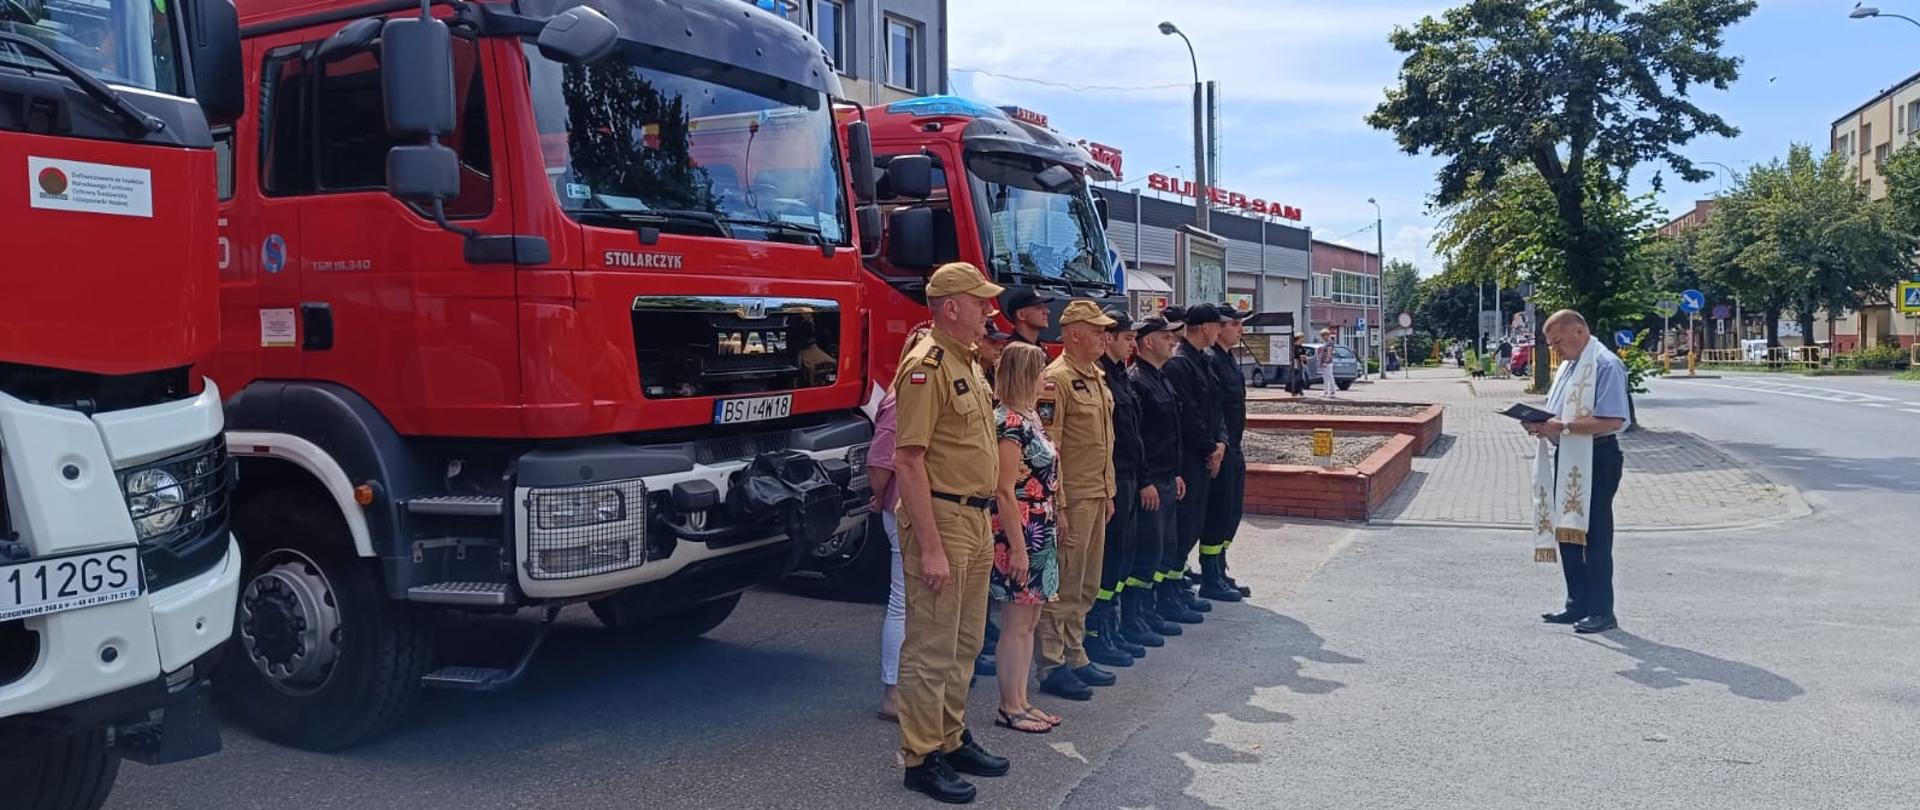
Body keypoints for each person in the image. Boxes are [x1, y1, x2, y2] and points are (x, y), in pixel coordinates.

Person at [891, 263, 1010, 804]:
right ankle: (920, 758)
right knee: (931, 647)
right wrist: (932, 546)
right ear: (951, 307)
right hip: (941, 520)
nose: (990, 312)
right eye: (981, 302)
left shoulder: (969, 363)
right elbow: (909, 461)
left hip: (976, 518)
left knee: (964, 643)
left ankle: (951, 736)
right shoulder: (926, 366)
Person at [1033, 301, 1119, 701]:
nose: (1105, 336)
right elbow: (1051, 448)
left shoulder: (1096, 377)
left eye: (1105, 330)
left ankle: (1076, 653)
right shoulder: (1056, 380)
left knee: (1085, 582)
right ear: (1072, 334)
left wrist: (1109, 491)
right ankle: (1052, 664)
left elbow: (1105, 443)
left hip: (1096, 494)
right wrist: (1061, 505)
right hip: (1073, 498)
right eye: (1097, 329)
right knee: (1064, 583)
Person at [1525, 310, 1630, 636]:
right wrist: (1541, 423)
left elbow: (1613, 420)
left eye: (1557, 341)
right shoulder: (1570, 367)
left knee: (1595, 535)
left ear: (1580, 330)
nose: (1554, 349)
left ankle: (1602, 610)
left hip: (1598, 456)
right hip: (1569, 454)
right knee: (1567, 531)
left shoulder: (1605, 364)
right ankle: (1577, 604)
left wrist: (1563, 426)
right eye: (1551, 343)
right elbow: (1559, 413)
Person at [986, 342, 1065, 735]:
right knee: (1016, 622)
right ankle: (1009, 706)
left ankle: (1020, 700)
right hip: (1019, 530)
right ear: (1024, 374)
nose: (1046, 378)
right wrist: (1017, 547)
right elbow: (1003, 489)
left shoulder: (1029, 416)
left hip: (1039, 527)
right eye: (1041, 371)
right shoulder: (1008, 422)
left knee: (1029, 620)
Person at [871, 324, 931, 722]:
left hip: (915, 507)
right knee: (902, 602)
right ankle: (893, 692)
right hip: (903, 508)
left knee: (916, 602)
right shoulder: (901, 398)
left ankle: (908, 684)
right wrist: (880, 499)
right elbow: (881, 461)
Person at [1122, 316, 1187, 645]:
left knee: (1164, 549)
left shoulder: (1161, 379)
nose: (1172, 341)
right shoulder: (1137, 381)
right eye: (1166, 337)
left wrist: (1175, 473)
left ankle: (1150, 609)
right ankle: (1133, 618)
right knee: (1145, 552)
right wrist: (1146, 480)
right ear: (1147, 342)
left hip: (1166, 477)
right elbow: (1137, 439)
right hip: (1148, 482)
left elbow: (1169, 433)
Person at [1159, 305, 1224, 624]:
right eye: (1216, 325)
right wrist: (1210, 446)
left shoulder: (1203, 361)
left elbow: (1217, 407)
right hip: (1188, 457)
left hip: (1205, 455)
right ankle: (1169, 589)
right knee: (1182, 527)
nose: (1220, 330)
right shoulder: (1181, 363)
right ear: (1203, 327)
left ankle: (1177, 585)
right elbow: (1188, 415)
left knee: (1195, 522)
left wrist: (1220, 443)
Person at [1090, 309, 1148, 665]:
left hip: (1127, 476)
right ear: (1109, 338)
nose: (1132, 345)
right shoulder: (1100, 377)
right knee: (1106, 560)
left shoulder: (1119, 377)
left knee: (1122, 557)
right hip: (1109, 480)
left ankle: (1112, 626)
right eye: (1127, 338)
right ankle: (1097, 633)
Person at [1199, 304, 1251, 602]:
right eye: (1234, 324)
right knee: (1217, 513)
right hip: (1221, 448)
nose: (1239, 329)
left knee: (1231, 511)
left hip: (1234, 445)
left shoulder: (1229, 359)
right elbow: (1213, 409)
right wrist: (1218, 445)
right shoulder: (1211, 360)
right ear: (1218, 326)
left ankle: (1219, 566)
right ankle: (1209, 575)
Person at [1318, 331, 1337, 398]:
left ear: (1327, 335)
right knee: (1325, 377)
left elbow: (1329, 353)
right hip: (1323, 362)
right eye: (1322, 336)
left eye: (1323, 335)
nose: (1323, 337)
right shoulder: (1325, 342)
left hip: (1327, 363)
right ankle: (1326, 391)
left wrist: (1326, 361)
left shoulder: (1330, 343)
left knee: (1330, 377)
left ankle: (1333, 392)